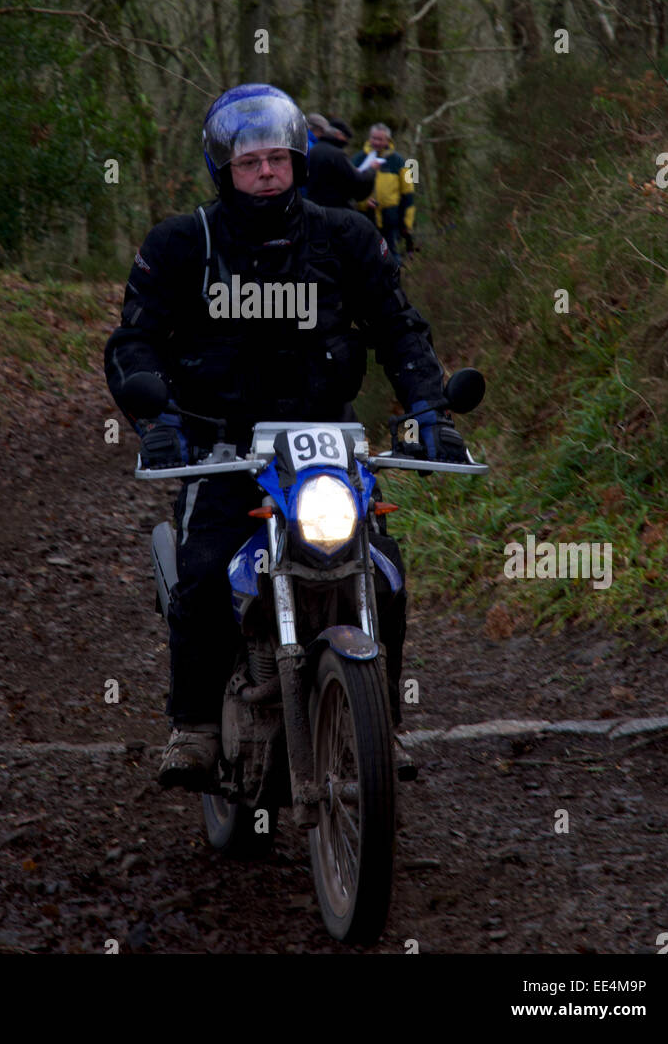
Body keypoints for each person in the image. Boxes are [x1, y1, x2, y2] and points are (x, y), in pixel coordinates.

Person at [104, 83, 468, 789]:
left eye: (277, 158)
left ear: (300, 161)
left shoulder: (346, 236)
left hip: (325, 443)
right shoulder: (183, 244)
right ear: (224, 170)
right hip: (220, 444)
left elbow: (398, 330)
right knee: (206, 571)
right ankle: (196, 726)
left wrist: (431, 411)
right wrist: (156, 423)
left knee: (383, 573)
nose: (266, 172)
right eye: (250, 163)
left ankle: (379, 722)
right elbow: (134, 344)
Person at [353, 122, 416, 263]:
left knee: (391, 257)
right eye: (373, 138)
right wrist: (363, 202)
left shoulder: (399, 161)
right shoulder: (358, 159)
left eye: (379, 139)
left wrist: (407, 223)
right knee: (366, 258)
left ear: (388, 140)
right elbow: (350, 187)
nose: (375, 142)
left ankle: (394, 283)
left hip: (391, 219)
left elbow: (408, 193)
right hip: (365, 218)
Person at [305, 112, 377, 210]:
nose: (346, 141)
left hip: (313, 207)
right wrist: (372, 170)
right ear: (338, 134)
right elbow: (356, 182)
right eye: (345, 138)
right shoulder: (336, 154)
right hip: (333, 210)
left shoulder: (315, 149)